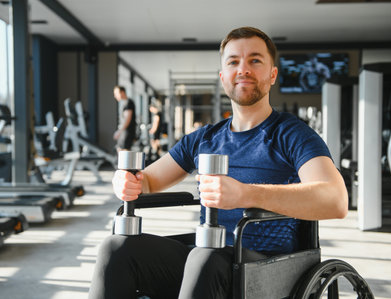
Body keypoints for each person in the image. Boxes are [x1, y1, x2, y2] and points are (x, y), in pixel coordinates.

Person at [89, 26, 348, 299]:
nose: (243, 69)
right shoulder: (204, 138)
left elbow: (336, 200)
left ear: (272, 75)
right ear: (223, 76)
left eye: (255, 61)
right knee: (115, 248)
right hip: (205, 257)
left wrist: (246, 194)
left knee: (205, 258)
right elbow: (149, 180)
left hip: (266, 268)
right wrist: (127, 182)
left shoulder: (292, 134)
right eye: (233, 62)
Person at [113, 85, 137, 152]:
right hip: (124, 133)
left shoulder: (128, 103)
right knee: (120, 150)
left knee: (124, 152)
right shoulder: (125, 103)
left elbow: (127, 119)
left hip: (127, 133)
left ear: (122, 92)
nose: (115, 96)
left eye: (116, 93)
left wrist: (119, 132)